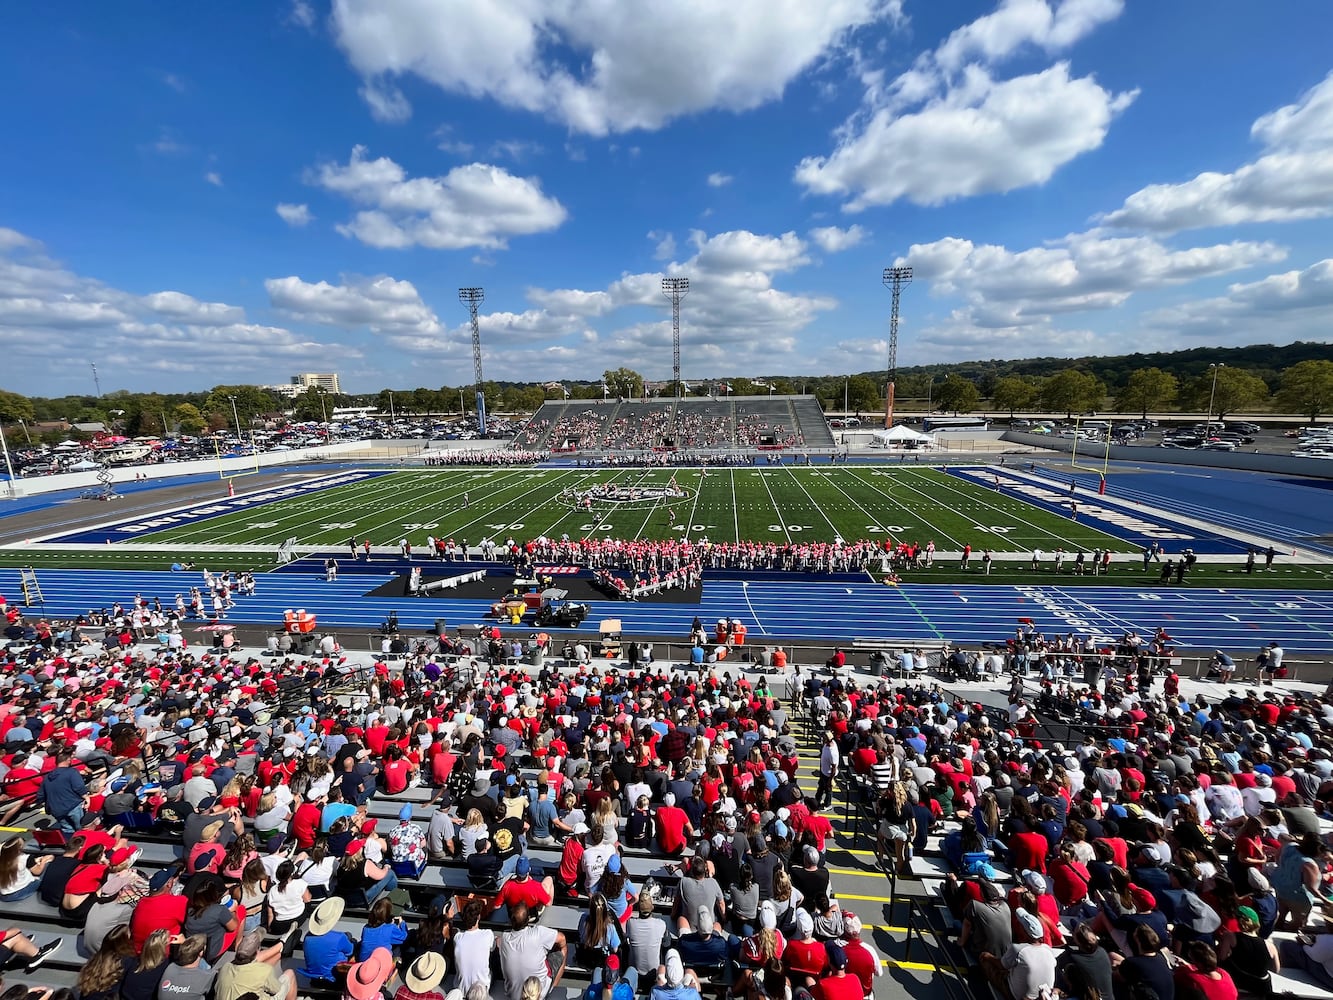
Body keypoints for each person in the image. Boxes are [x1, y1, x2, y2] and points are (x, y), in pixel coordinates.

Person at [498, 902, 567, 1000]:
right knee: (562, 950)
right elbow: (562, 938)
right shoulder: (537, 933)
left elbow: (498, 942)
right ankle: (551, 989)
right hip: (538, 993)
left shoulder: (504, 938)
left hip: (513, 995)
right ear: (528, 918)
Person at [213, 929, 297, 1000]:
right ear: (257, 951)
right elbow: (276, 989)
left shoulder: (225, 967)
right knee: (290, 974)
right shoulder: (265, 970)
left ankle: (281, 948)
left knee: (275, 958)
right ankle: (282, 945)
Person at [300, 897, 355, 983]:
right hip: (335, 977)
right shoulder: (339, 938)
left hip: (314, 977)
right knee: (352, 941)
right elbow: (350, 951)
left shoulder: (307, 937)